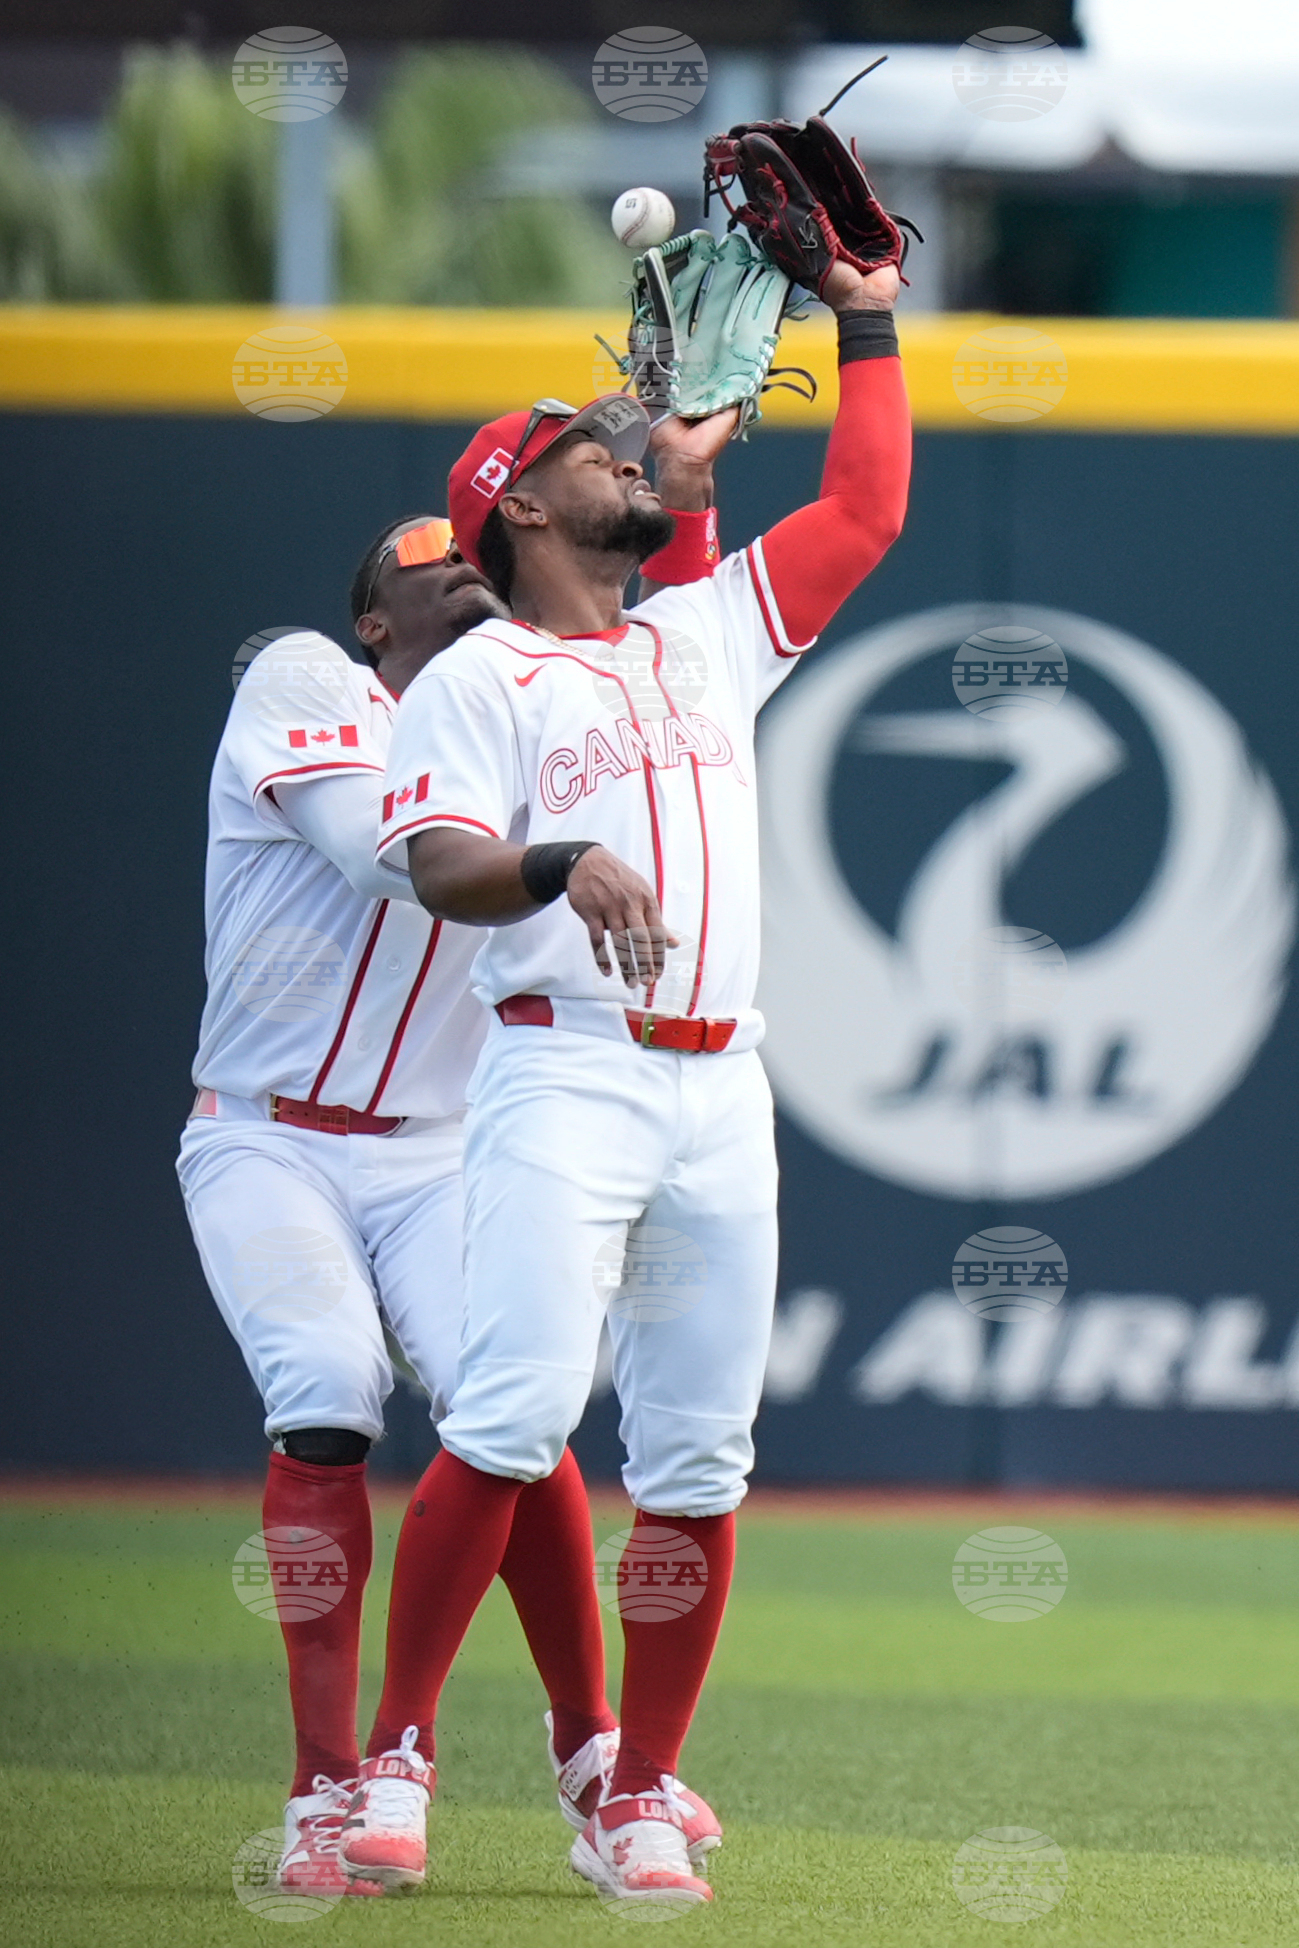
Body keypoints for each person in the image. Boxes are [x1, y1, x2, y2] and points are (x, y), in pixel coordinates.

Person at [340, 255, 910, 1908]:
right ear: (517, 505)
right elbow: (437, 858)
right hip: (566, 1072)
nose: (625, 450)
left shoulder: (702, 633)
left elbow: (865, 506)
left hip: (721, 1089)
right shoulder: (479, 678)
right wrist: (556, 858)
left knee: (701, 1461)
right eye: (592, 445)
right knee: (512, 1417)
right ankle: (398, 1758)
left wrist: (864, 309)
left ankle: (638, 1792)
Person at [177, 490, 719, 1898]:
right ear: (375, 616)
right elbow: (396, 858)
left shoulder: (528, 708)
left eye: (479, 556)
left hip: (436, 1143)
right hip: (270, 1135)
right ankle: (323, 1784)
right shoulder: (309, 677)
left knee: (510, 1401)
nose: (464, 573)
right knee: (324, 1388)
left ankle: (595, 1748)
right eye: (430, 562)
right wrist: (550, 850)